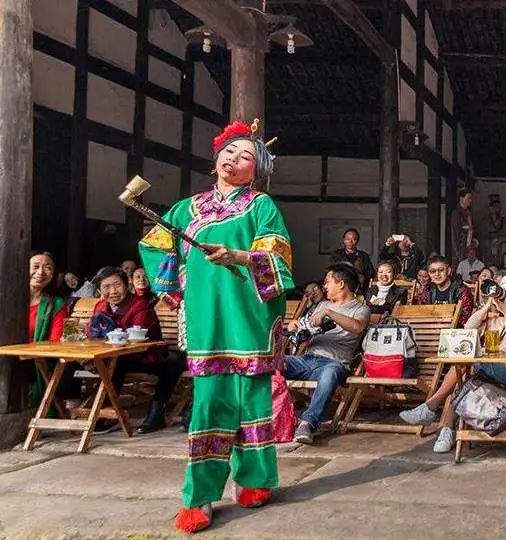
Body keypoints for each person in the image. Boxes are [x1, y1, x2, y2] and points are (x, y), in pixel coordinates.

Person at [139, 119, 295, 533]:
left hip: (249, 317)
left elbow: (278, 258)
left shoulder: (261, 206)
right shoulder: (185, 209)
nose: (234, 159)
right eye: (229, 151)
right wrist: (178, 283)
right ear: (216, 158)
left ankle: (254, 481)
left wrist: (238, 256)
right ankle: (200, 496)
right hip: (207, 319)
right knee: (209, 404)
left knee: (253, 401)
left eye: (246, 156)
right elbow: (154, 246)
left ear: (256, 170)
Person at [399, 275, 506, 452]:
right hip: (483, 371)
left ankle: (431, 407)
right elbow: (469, 328)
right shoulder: (491, 317)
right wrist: (487, 305)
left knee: (465, 366)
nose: (504, 300)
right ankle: (446, 430)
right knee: (460, 378)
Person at [88, 267, 184, 434]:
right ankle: (104, 413)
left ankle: (156, 413)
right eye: (106, 287)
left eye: (117, 285)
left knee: (173, 361)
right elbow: (92, 332)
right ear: (99, 290)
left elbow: (136, 338)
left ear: (127, 285)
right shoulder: (100, 306)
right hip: (115, 357)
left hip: (146, 357)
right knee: (109, 364)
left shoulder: (140, 305)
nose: (113, 291)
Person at [284, 264, 370, 444]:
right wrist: (295, 325)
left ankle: (308, 423)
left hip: (334, 363)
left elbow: (357, 327)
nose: (324, 286)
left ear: (341, 284)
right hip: (306, 359)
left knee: (329, 374)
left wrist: (329, 313)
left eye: (327, 282)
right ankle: (269, 416)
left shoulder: (360, 309)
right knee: (271, 363)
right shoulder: (322, 304)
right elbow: (305, 326)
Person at [27, 252, 68, 408]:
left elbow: (54, 341)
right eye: (35, 266)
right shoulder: (8, 298)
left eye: (48, 268)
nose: (40, 272)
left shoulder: (55, 303)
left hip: (36, 359)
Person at [422, 255, 474, 324]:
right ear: (429, 273)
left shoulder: (461, 290)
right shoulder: (428, 290)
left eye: (441, 270)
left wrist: (445, 322)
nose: (437, 274)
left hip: (454, 328)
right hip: (432, 327)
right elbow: (422, 313)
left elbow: (466, 317)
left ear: (448, 271)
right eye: (432, 271)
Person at [450, 189, 475, 265]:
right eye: (468, 198)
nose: (470, 201)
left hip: (469, 247)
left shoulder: (468, 212)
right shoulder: (456, 213)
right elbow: (455, 233)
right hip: (460, 248)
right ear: (461, 198)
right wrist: (457, 253)